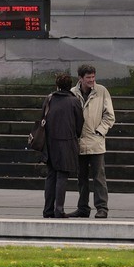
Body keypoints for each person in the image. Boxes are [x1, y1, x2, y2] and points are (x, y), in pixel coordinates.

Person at [72, 63, 115, 219]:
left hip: (96, 142)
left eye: (93, 77)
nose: (91, 80)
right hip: (79, 142)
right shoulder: (72, 93)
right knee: (81, 178)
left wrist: (100, 131)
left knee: (99, 177)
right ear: (80, 78)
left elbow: (110, 116)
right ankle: (83, 208)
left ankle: (102, 207)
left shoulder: (102, 91)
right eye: (88, 77)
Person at [41, 72, 83, 219]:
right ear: (70, 86)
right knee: (62, 177)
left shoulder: (49, 99)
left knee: (51, 176)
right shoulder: (74, 101)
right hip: (67, 142)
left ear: (57, 85)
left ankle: (47, 210)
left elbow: (42, 118)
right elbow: (79, 125)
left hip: (50, 143)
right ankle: (59, 209)